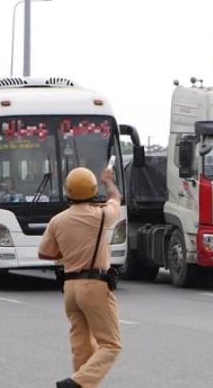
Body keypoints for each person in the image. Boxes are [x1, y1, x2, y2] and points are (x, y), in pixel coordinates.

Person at [39, 166, 122, 388]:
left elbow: (44, 253)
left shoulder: (58, 220)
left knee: (81, 347)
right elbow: (116, 197)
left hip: (70, 288)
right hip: (94, 286)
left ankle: (78, 383)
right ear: (93, 189)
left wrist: (68, 252)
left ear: (68, 191)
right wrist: (108, 181)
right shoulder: (101, 215)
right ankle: (77, 382)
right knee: (111, 344)